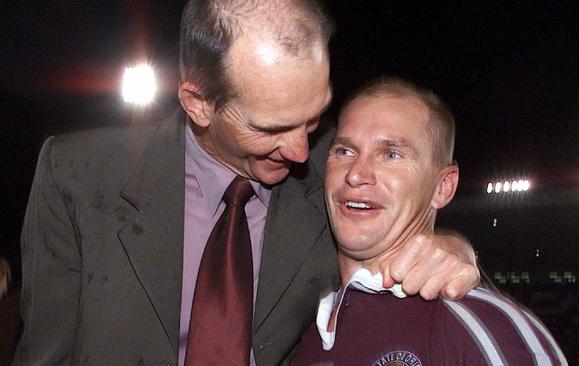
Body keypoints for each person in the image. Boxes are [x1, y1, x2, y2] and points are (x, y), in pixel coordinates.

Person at [13, 1, 480, 365]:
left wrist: (454, 250)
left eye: (313, 117)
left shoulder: (337, 172)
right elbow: (45, 354)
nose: (300, 150)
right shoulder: (78, 175)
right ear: (198, 103)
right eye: (270, 128)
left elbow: (417, 245)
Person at [292, 77, 567, 365]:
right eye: (344, 151)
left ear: (443, 187)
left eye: (391, 154)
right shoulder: (307, 333)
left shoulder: (485, 328)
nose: (356, 174)